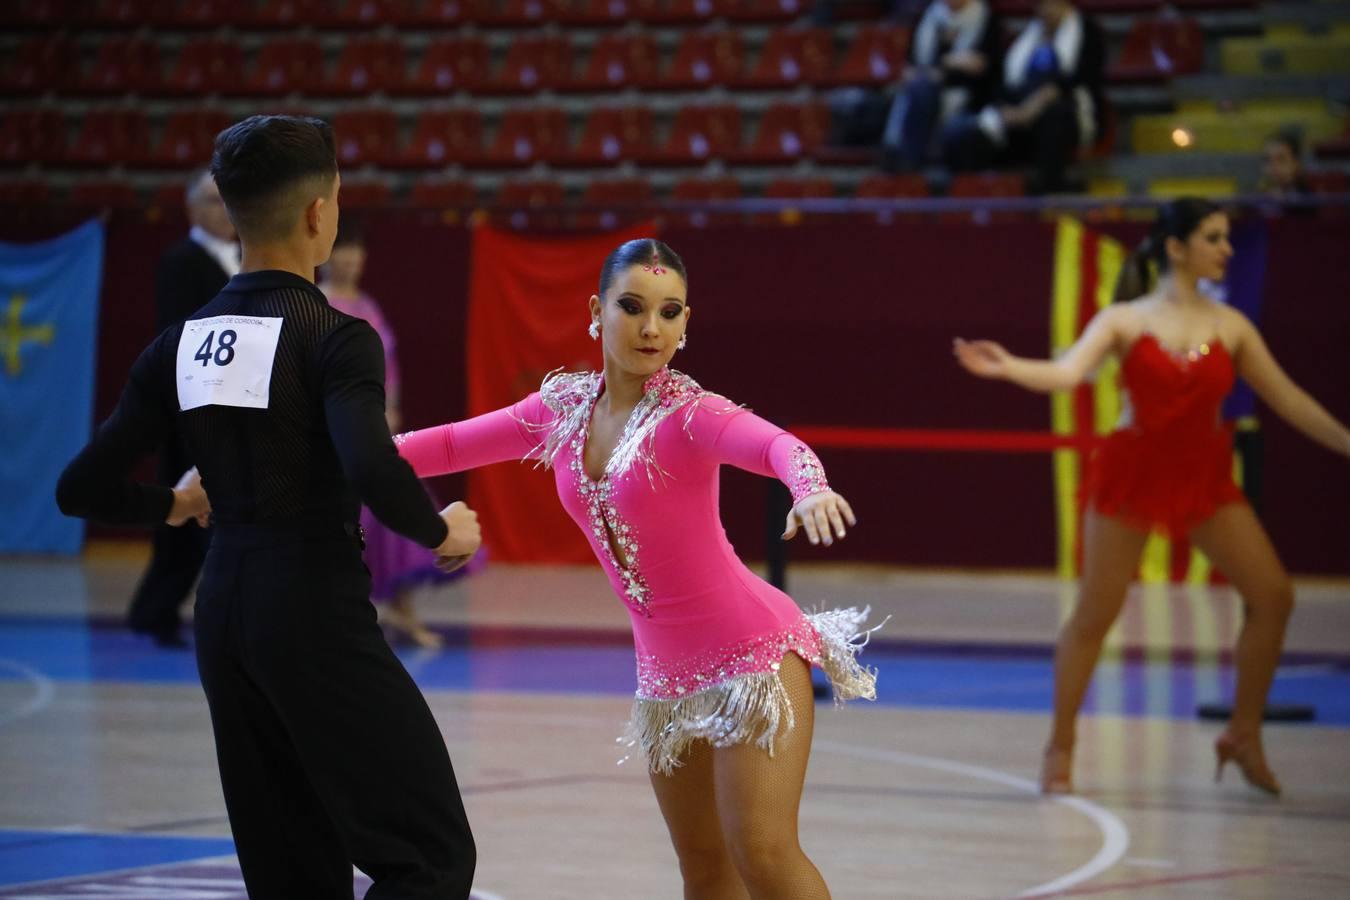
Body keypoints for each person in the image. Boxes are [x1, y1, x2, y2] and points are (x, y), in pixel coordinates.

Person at [56, 115, 481, 898]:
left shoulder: (180, 341)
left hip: (222, 615)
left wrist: (175, 506)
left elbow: (79, 488)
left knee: (289, 873)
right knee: (429, 854)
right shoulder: (334, 336)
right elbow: (369, 463)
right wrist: (441, 530)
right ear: (320, 213)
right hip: (314, 613)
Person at [395, 238, 878, 899]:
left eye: (669, 311)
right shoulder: (560, 411)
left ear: (685, 324)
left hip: (752, 659)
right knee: (706, 874)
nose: (652, 327)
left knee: (763, 854)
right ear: (596, 311)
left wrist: (810, 486)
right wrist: (317, 453)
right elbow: (443, 446)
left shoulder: (691, 414)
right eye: (632, 306)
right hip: (664, 678)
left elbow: (775, 444)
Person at [953, 197, 1350, 797]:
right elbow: (1068, 375)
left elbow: (1289, 399)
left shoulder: (1233, 326)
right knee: (1095, 615)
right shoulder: (1126, 320)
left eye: (1226, 237)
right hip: (1133, 476)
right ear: (1176, 247)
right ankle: (1060, 745)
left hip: (1206, 481)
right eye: (1213, 238)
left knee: (1273, 596)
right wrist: (1008, 366)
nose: (1226, 249)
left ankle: (1243, 734)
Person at [319, 220, 465, 649]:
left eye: (356, 250)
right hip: (338, 432)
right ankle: (339, 615)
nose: (350, 259)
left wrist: (392, 407)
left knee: (395, 508)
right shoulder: (318, 304)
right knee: (350, 522)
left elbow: (388, 364)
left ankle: (403, 609)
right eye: (342, 249)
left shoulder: (368, 304)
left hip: (379, 428)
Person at [126, 169, 240, 648]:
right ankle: (169, 613)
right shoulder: (181, 262)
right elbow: (179, 337)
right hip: (193, 407)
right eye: (214, 201)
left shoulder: (246, 258)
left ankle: (155, 611)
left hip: (237, 405)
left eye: (227, 200)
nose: (224, 210)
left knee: (198, 522)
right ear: (193, 210)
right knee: (189, 517)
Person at [942, 0, 1105, 193]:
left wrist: (1031, 109)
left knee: (1054, 119)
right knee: (963, 133)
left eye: (1052, 5)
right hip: (1020, 116)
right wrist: (1007, 110)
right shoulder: (1028, 37)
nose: (1046, 11)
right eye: (1042, 5)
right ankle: (977, 202)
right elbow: (1005, 82)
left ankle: (1047, 197)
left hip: (1067, 113)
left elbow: (1080, 80)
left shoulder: (1088, 32)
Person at [881, 0, 1001, 172]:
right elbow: (910, 65)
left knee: (925, 92)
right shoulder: (929, 15)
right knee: (919, 90)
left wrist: (944, 68)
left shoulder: (986, 17)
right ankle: (906, 164)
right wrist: (944, 67)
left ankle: (910, 164)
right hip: (925, 91)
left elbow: (984, 66)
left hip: (969, 98)